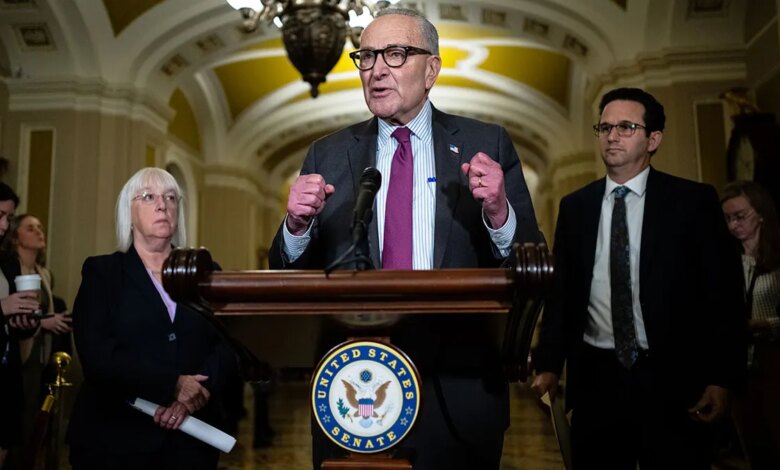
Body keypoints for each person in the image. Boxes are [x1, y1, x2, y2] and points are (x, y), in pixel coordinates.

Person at [269, 7, 541, 469]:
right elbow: (286, 272)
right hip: (355, 388)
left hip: (458, 385)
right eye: (367, 56)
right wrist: (296, 226)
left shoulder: (486, 143)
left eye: (395, 54)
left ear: (431, 69)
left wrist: (498, 211)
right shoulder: (328, 154)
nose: (376, 70)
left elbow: (530, 262)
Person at [531, 87, 745, 468]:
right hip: (596, 377)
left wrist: (721, 378)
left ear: (653, 139)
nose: (612, 136)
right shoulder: (576, 207)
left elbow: (722, 296)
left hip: (673, 377)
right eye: (605, 127)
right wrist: (548, 364)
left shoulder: (692, 202)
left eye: (626, 127)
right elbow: (562, 293)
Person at [66, 168, 235, 469]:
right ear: (127, 214)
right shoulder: (103, 273)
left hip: (190, 440)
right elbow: (97, 356)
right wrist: (171, 384)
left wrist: (191, 398)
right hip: (116, 439)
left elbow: (224, 345)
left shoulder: (206, 271)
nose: (162, 205)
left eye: (170, 197)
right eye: (148, 197)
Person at [0, 214, 73, 449]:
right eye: (30, 228)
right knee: (15, 417)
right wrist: (44, 323)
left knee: (34, 413)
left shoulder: (44, 273)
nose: (39, 231)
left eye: (40, 227)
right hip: (17, 348)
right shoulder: (9, 269)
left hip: (41, 350)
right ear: (15, 238)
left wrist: (52, 320)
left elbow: (40, 310)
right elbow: (11, 312)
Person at [721, 180, 780, 468]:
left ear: (761, 212)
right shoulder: (728, 261)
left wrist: (761, 324)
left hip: (774, 364)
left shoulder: (777, 258)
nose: (733, 225)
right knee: (756, 451)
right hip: (741, 369)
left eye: (740, 216)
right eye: (728, 218)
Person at [0, 184, 40, 469]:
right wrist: (2, 308)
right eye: (0, 216)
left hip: (5, 371)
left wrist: (22, 322)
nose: (4, 225)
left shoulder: (2, 261)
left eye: (9, 218)